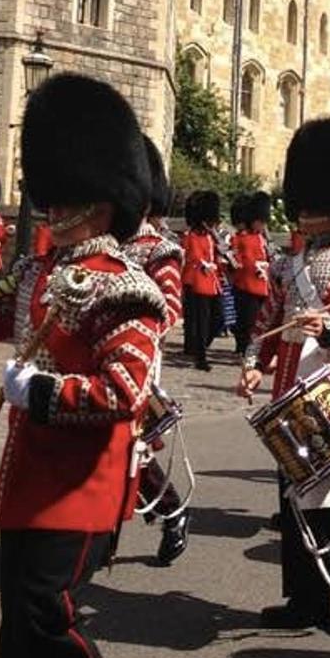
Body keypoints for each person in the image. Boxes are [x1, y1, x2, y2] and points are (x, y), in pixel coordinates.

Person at [0, 73, 161, 658]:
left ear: (101, 203)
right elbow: (2, 316)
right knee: (21, 638)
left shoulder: (125, 286)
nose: (52, 204)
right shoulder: (43, 267)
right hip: (29, 476)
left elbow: (124, 392)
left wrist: (45, 392)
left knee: (47, 616)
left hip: (82, 484)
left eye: (66, 196)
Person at [238, 118, 330, 636]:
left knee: (327, 498)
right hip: (289, 389)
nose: (303, 210)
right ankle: (306, 599)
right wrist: (253, 366)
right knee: (292, 497)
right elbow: (268, 324)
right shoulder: (289, 264)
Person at [122, 135, 192, 566]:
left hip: (140, 358)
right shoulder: (109, 242)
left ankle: (170, 509)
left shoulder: (158, 250)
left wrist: (132, 334)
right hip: (99, 358)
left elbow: (169, 307)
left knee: (132, 446)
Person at [181, 190, 222, 371]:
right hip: (196, 281)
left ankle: (200, 347)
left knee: (217, 319)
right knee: (201, 321)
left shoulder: (209, 236)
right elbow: (192, 257)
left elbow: (214, 256)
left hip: (211, 282)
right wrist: (205, 264)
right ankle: (201, 356)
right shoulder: (191, 236)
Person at [229, 192, 271, 355]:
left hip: (262, 284)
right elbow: (237, 260)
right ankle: (243, 347)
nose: (262, 225)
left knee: (259, 320)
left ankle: (255, 348)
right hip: (245, 284)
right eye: (260, 221)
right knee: (246, 320)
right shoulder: (240, 238)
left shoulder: (261, 238)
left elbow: (266, 257)